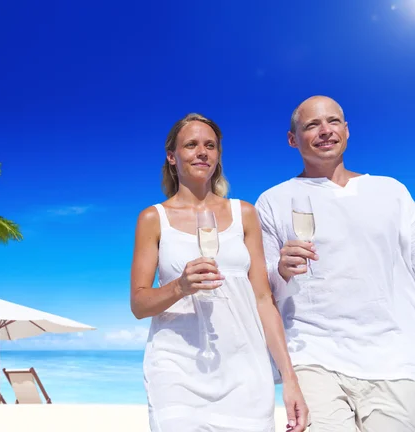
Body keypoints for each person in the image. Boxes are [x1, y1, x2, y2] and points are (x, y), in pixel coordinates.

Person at [130, 113, 308, 432]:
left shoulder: (245, 214)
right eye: (191, 144)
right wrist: (179, 287)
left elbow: (264, 300)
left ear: (218, 156)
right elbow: (139, 305)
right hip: (176, 368)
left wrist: (290, 380)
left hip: (245, 368)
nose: (202, 151)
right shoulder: (152, 219)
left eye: (210, 145)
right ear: (172, 156)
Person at [255, 95, 415, 432]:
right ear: (292, 139)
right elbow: (263, 292)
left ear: (347, 129)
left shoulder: (391, 191)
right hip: (312, 356)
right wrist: (282, 270)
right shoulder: (273, 200)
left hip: (394, 359)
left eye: (333, 121)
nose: (325, 131)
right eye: (312, 125)